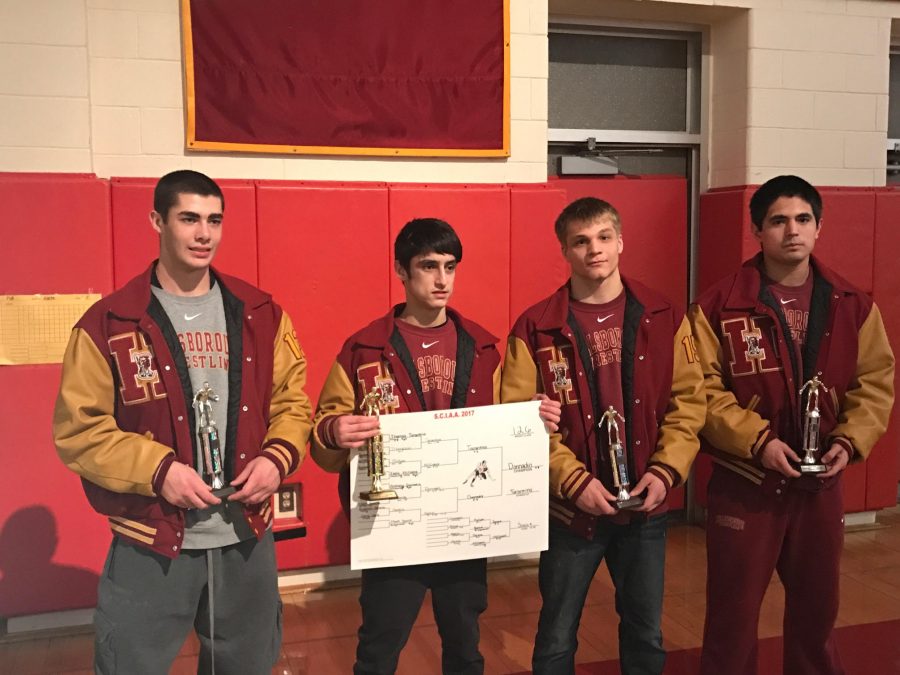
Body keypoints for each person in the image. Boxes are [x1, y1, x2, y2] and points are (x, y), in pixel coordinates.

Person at [52, 170, 312, 674]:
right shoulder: (109, 322)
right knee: (130, 665)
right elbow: (79, 431)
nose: (203, 234)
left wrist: (276, 459)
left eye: (214, 220)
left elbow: (292, 402)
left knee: (247, 665)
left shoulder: (261, 313)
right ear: (157, 220)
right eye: (189, 218)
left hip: (245, 534)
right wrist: (159, 470)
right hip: (151, 537)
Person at [311, 217, 558, 675]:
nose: (442, 279)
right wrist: (334, 432)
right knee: (379, 649)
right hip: (393, 528)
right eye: (428, 266)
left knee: (465, 647)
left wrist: (534, 416)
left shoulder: (484, 350)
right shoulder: (363, 349)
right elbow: (323, 442)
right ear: (401, 271)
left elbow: (508, 426)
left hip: (464, 525)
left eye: (450, 266)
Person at [689, 175, 895, 675]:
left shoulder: (853, 305)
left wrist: (849, 441)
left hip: (820, 487)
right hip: (748, 485)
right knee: (731, 620)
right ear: (757, 229)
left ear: (819, 227)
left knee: (817, 614)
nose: (792, 231)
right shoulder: (718, 306)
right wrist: (757, 442)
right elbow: (699, 391)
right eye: (778, 220)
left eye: (803, 219)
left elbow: (875, 383)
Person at [501, 197, 706, 674]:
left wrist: (665, 471)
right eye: (581, 241)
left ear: (620, 242)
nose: (594, 249)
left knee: (645, 632)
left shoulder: (665, 315)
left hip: (645, 506)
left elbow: (688, 402)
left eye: (603, 237)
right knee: (555, 635)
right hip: (570, 510)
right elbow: (518, 419)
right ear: (565, 251)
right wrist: (573, 481)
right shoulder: (533, 328)